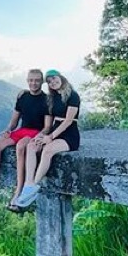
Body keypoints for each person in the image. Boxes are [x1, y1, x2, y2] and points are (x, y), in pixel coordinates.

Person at [0, 69, 49, 208]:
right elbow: (14, 121)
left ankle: (18, 192)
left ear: (42, 81)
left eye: (37, 80)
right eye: (31, 80)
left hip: (35, 132)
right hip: (22, 130)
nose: (33, 83)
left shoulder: (46, 100)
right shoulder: (22, 97)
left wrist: (40, 135)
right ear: (27, 80)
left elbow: (47, 127)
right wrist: (8, 130)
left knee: (21, 146)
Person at [15, 69, 80, 208]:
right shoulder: (51, 98)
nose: (52, 82)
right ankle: (28, 183)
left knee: (48, 150)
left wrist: (50, 137)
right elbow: (47, 117)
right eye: (49, 81)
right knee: (32, 145)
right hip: (54, 131)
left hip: (69, 134)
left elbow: (68, 121)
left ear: (61, 77)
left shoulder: (72, 95)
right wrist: (42, 136)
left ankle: (33, 185)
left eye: (54, 78)